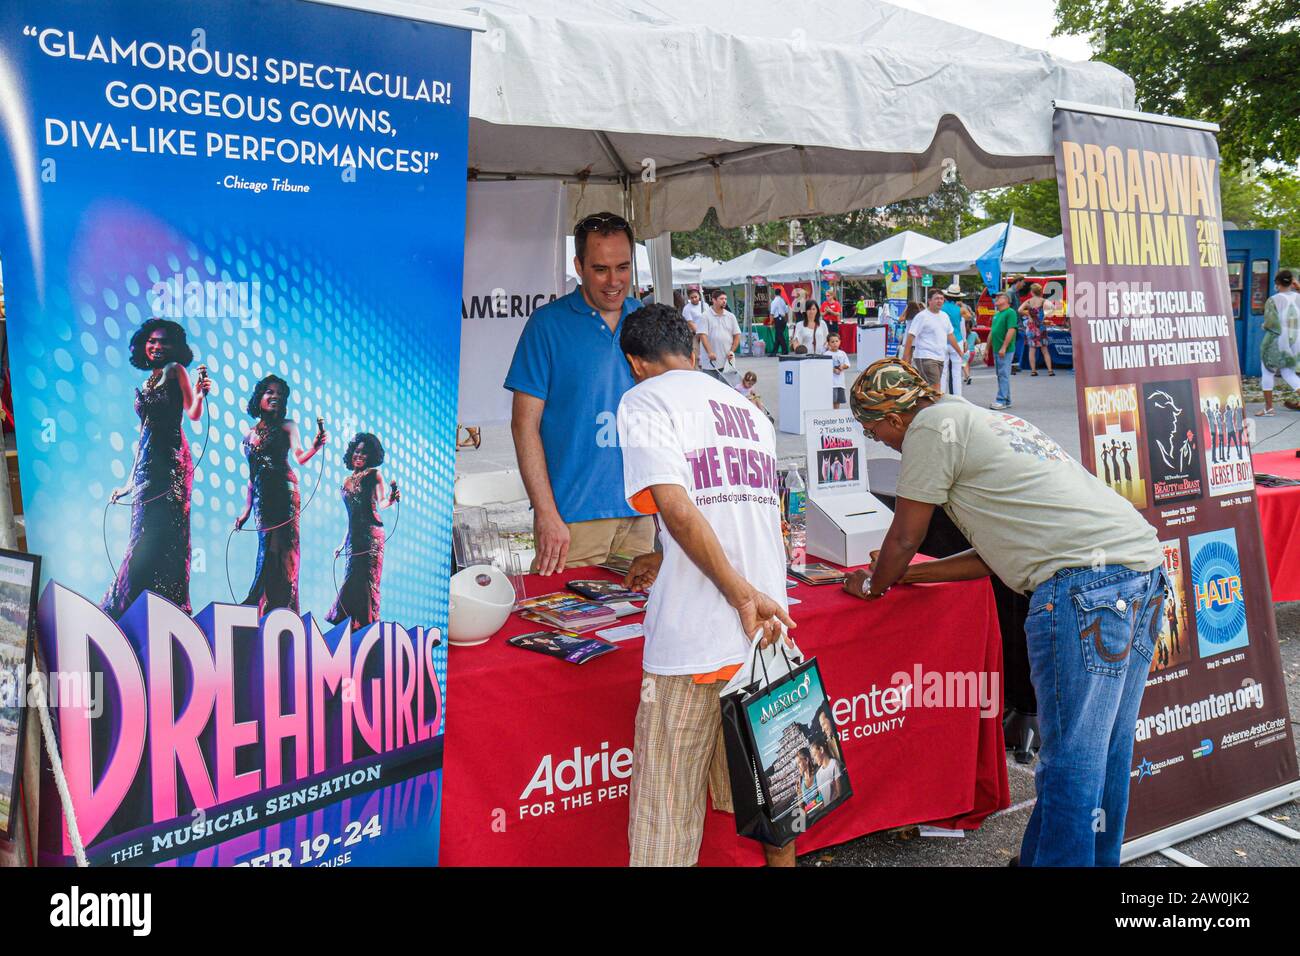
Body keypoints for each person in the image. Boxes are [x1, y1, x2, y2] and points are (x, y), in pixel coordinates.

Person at [842, 359, 1167, 866]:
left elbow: (905, 536)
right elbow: (994, 555)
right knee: (1103, 750)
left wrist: (874, 583)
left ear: (896, 415)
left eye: (872, 426)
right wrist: (909, 576)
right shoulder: (981, 419)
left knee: (1071, 762)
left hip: (1085, 588)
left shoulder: (929, 428)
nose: (874, 437)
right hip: (1141, 573)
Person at [614, 303, 797, 868]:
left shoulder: (643, 399)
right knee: (777, 787)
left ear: (635, 363)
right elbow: (737, 512)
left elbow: (677, 505)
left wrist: (740, 595)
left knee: (664, 818)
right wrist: (663, 554)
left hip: (699, 638)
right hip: (767, 632)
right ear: (693, 350)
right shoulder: (748, 411)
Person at [505, 212, 656, 573]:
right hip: (572, 522)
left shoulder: (646, 320)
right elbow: (523, 425)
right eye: (601, 268)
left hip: (642, 513)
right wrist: (546, 514)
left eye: (623, 267)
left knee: (637, 626)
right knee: (570, 628)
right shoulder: (547, 325)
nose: (614, 281)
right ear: (578, 266)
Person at [102, 319, 211, 618]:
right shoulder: (150, 378)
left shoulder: (176, 371)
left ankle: (158, 608)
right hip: (147, 465)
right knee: (141, 534)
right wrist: (128, 483)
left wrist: (200, 393)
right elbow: (144, 435)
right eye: (152, 341)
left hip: (172, 465)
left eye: (164, 342)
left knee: (164, 537)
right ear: (144, 345)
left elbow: (193, 413)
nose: (157, 346)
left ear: (174, 347)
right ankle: (138, 607)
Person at [235, 374, 328, 614]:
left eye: (279, 394)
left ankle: (281, 608)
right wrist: (245, 510)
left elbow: (299, 456)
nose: (275, 397)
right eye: (269, 392)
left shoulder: (288, 426)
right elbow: (251, 475)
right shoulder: (249, 435)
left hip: (285, 493)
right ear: (260, 397)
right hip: (261, 499)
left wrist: (315, 447)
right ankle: (261, 604)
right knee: (267, 548)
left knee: (284, 549)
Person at [327, 432, 400, 630]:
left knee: (368, 581)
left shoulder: (374, 475)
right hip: (354, 537)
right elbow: (351, 517)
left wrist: (392, 498)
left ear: (371, 456)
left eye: (364, 453)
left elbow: (381, 502)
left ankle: (369, 627)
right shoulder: (346, 481)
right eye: (356, 451)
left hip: (372, 536)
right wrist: (343, 543)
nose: (359, 455)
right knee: (352, 579)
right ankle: (351, 626)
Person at [903, 290, 965, 390]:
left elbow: (950, 335)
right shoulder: (922, 316)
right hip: (925, 357)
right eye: (936, 298)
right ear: (929, 301)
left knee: (929, 388)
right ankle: (936, 404)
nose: (939, 301)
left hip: (940, 357)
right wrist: (906, 358)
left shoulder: (944, 316)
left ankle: (923, 404)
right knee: (935, 387)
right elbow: (911, 336)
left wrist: (960, 352)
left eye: (941, 299)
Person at [1259, 269, 1300, 416]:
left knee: (1267, 371)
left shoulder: (1273, 300)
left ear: (1277, 283)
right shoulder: (1298, 297)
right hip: (1296, 340)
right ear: (1291, 282)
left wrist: (1263, 326)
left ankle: (1269, 408)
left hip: (1278, 340)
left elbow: (1271, 324)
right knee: (1288, 373)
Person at [697, 290, 742, 381]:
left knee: (727, 388)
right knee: (710, 388)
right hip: (710, 362)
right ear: (714, 300)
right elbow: (703, 336)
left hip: (727, 361)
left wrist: (732, 351)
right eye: (721, 299)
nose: (724, 301)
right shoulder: (705, 316)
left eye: (725, 299)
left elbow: (737, 335)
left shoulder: (731, 316)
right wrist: (710, 352)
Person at [989, 291, 1018, 410]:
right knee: (1001, 374)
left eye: (999, 297)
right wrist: (987, 348)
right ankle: (1007, 399)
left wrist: (1004, 347)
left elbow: (1011, 330)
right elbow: (992, 331)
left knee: (1003, 374)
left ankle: (1001, 399)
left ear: (1007, 300)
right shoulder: (998, 314)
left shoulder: (1010, 312)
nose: (996, 299)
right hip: (997, 348)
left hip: (1004, 349)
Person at [1019, 282, 1054, 376]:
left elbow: (1019, 310)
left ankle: (1033, 371)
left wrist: (1028, 314)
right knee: (1045, 350)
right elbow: (1052, 310)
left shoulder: (1028, 301)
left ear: (1032, 292)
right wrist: (1044, 316)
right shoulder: (1044, 301)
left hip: (1031, 327)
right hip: (1041, 327)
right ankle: (1050, 370)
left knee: (1032, 349)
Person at [940, 282, 967, 395]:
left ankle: (940, 394)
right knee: (956, 371)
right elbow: (964, 324)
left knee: (943, 371)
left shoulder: (941, 308)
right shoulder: (960, 310)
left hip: (942, 340)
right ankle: (958, 396)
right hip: (957, 339)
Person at [811, 738, 843, 806]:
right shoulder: (818, 775)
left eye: (815, 755)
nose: (814, 760)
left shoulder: (834, 764)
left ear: (821, 750)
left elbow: (840, 793)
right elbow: (821, 797)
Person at [826, 333, 850, 409]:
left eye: (836, 341)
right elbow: (824, 366)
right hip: (831, 383)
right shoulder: (826, 354)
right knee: (831, 400)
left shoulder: (842, 353)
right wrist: (833, 370)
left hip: (840, 383)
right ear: (828, 343)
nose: (835, 343)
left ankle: (836, 414)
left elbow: (847, 365)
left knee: (838, 401)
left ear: (840, 342)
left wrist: (842, 367)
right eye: (832, 342)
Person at [769, 289, 791, 356]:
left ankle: (785, 350)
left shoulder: (774, 301)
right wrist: (786, 320)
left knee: (780, 336)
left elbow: (772, 313)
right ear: (780, 293)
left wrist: (770, 322)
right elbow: (786, 311)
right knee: (778, 336)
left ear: (774, 294)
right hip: (783, 319)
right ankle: (774, 352)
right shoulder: (782, 301)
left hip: (778, 319)